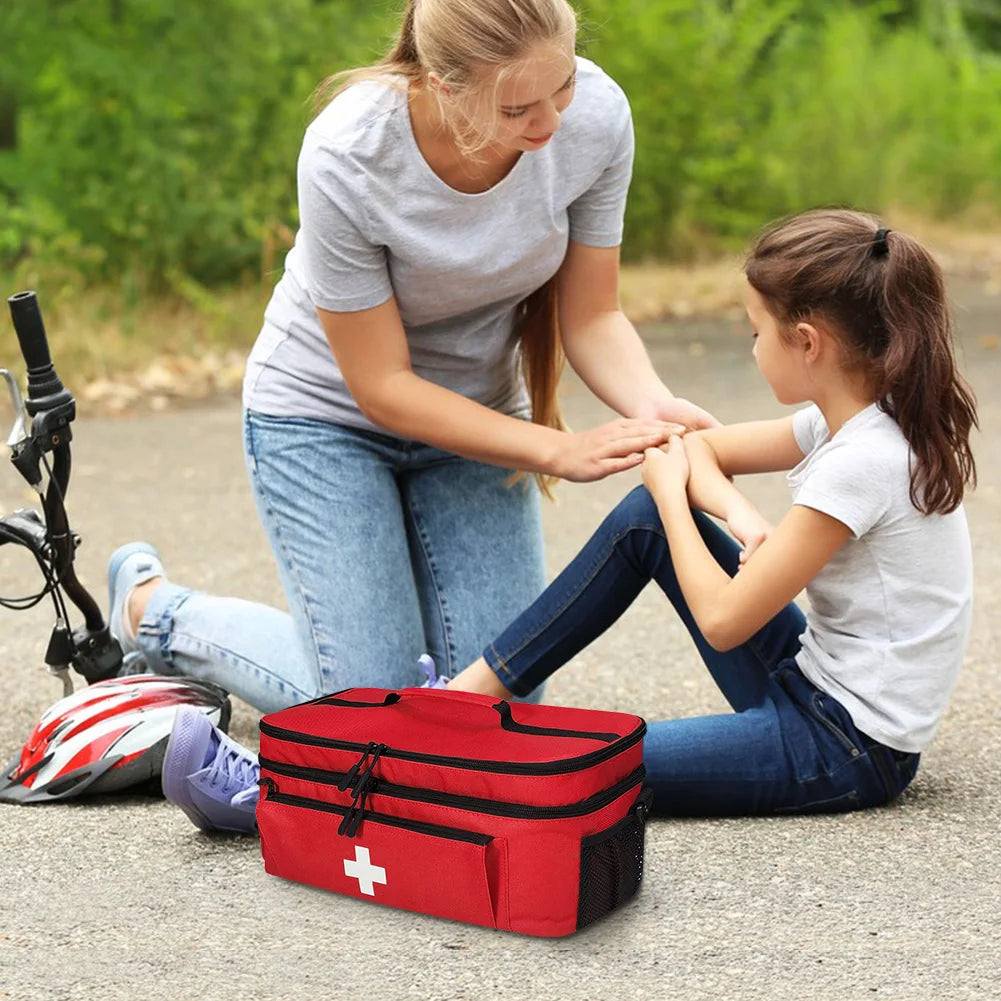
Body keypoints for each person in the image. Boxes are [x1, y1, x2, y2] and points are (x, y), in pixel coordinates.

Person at [157, 208, 977, 832]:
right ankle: (462, 700)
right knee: (644, 519)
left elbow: (726, 619)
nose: (748, 344)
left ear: (807, 343)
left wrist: (675, 494)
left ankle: (298, 794)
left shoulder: (864, 461)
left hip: (843, 748)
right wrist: (724, 506)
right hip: (809, 684)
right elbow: (693, 447)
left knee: (576, 769)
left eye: (754, 332)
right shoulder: (853, 417)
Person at [106, 0, 716, 828]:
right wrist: (554, 450)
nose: (547, 124)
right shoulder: (349, 152)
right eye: (515, 108)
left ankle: (372, 680)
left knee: (506, 703)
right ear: (440, 83)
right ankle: (156, 611)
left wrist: (655, 409)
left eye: (561, 87)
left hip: (474, 417)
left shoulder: (595, 118)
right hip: (322, 420)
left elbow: (593, 318)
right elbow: (381, 384)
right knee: (371, 710)